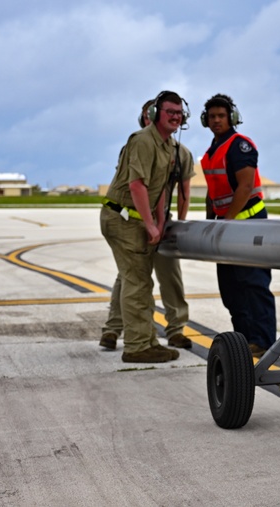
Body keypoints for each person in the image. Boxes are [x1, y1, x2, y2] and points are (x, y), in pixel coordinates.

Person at [100, 90, 191, 363]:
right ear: (154, 115)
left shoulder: (168, 147)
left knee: (138, 280)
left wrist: (161, 222)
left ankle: (146, 339)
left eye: (179, 112)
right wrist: (150, 225)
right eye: (170, 112)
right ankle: (138, 346)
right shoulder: (142, 141)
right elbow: (137, 185)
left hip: (139, 219)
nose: (176, 117)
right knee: (138, 282)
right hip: (125, 219)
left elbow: (160, 186)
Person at [200, 93, 276, 358]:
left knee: (253, 285)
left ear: (231, 118)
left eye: (222, 115)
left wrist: (226, 223)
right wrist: (212, 222)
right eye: (212, 117)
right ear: (205, 120)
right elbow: (214, 192)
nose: (217, 120)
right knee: (231, 290)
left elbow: (245, 187)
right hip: (227, 226)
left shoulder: (238, 146)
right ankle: (244, 340)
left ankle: (264, 341)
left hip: (248, 225)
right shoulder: (212, 151)